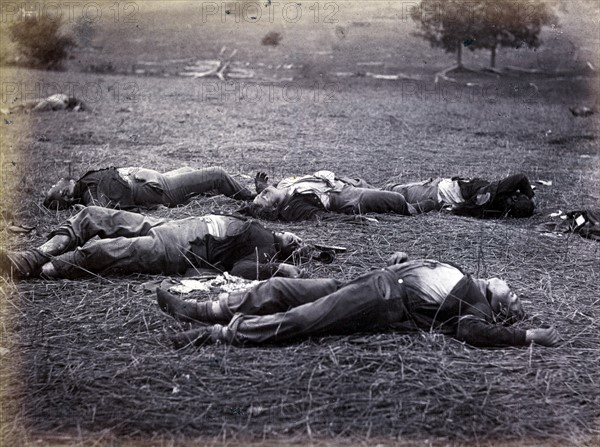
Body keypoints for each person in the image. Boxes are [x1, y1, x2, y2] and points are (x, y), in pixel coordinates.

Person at [158, 251, 560, 348]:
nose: (511, 285)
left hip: (383, 299)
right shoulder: (468, 277)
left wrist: (527, 336)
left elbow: (474, 332)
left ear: (501, 307)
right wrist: (405, 259)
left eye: (516, 295)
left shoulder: (478, 304)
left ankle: (217, 334)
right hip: (374, 280)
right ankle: (202, 308)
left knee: (306, 318)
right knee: (281, 289)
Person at [0, 206, 305, 280]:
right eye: (297, 237)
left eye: (297, 245)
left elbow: (240, 270)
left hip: (178, 250)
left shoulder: (266, 251)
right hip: (170, 226)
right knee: (93, 214)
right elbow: (258, 203)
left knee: (104, 251)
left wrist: (280, 267)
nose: (296, 240)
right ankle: (34, 255)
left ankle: (38, 271)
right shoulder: (260, 225)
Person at [241, 170, 439, 221]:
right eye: (265, 196)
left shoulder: (281, 186)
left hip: (346, 182)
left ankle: (430, 192)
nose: (264, 193)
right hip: (347, 196)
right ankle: (423, 207)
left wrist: (262, 188)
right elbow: (323, 217)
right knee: (395, 200)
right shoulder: (294, 207)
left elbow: (266, 193)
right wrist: (354, 220)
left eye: (261, 194)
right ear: (276, 207)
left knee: (394, 190)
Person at [43, 166, 255, 210]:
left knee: (190, 170)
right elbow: (100, 211)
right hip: (161, 188)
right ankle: (253, 199)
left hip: (157, 179)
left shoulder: (85, 183)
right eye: (53, 187)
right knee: (216, 175)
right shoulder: (90, 194)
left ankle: (222, 191)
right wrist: (83, 209)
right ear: (65, 192)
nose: (55, 182)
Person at [384, 174, 535, 218]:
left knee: (391, 192)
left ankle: (361, 187)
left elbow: (521, 179)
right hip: (436, 189)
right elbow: (521, 178)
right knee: (391, 190)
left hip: (435, 192)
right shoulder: (492, 195)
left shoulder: (493, 198)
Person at [1, 93, 86, 114]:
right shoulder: (63, 97)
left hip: (49, 102)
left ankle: (11, 111)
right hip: (46, 100)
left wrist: (77, 106)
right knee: (26, 103)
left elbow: (79, 103)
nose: (72, 96)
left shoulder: (64, 104)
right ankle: (9, 110)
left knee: (33, 109)